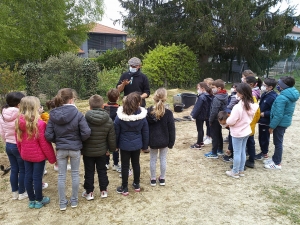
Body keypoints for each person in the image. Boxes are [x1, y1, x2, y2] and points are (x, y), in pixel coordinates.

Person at [45, 88, 91, 211]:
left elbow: (48, 135)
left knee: (61, 176)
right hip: (75, 148)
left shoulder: (52, 115)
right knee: (75, 174)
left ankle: (62, 203)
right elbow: (86, 132)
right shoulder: (78, 114)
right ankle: (74, 200)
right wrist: (79, 140)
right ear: (72, 99)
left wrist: (58, 140)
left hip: (61, 149)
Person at [15, 96, 56, 208]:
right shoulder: (40, 124)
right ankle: (39, 199)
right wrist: (52, 158)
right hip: (38, 157)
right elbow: (45, 144)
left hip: (26, 155)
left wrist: (22, 152)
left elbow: (18, 141)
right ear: (34, 108)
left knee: (28, 176)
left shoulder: (18, 122)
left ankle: (31, 200)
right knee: (37, 178)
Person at [81, 95, 116, 200]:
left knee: (89, 171)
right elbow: (112, 138)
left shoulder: (84, 119)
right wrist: (111, 150)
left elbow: (82, 135)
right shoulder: (108, 120)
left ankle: (89, 192)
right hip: (102, 151)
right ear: (102, 105)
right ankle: (104, 190)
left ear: (90, 106)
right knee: (102, 170)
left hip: (88, 152)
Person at [114, 92, 149, 196]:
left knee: (125, 166)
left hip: (124, 145)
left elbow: (116, 131)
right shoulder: (142, 116)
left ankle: (124, 187)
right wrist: (145, 146)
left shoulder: (120, 116)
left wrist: (115, 145)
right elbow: (145, 131)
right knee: (136, 164)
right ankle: (136, 184)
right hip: (137, 144)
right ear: (138, 103)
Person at [264, 76, 299, 170]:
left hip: (279, 123)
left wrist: (272, 126)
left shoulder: (282, 97)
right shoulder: (290, 94)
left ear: (283, 86)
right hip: (283, 122)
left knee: (278, 143)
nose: (278, 86)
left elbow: (278, 115)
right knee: (278, 142)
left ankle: (277, 163)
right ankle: (275, 158)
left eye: (279, 84)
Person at [116, 57, 150, 153]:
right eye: (131, 66)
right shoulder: (125, 75)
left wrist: (139, 98)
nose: (132, 67)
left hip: (140, 104)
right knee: (127, 125)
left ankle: (144, 145)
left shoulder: (143, 77)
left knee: (141, 125)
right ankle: (127, 144)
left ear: (139, 66)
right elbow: (118, 90)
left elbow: (147, 92)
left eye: (134, 66)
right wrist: (123, 85)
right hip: (127, 105)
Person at [225, 83, 259, 178]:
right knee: (242, 151)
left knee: (237, 153)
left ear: (242, 94)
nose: (236, 93)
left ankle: (235, 171)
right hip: (246, 131)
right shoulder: (253, 105)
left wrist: (227, 120)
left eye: (237, 92)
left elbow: (231, 121)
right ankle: (240, 170)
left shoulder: (238, 107)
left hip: (238, 132)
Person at [0, 92, 26, 200]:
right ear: (19, 104)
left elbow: (1, 131)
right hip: (18, 145)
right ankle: (22, 192)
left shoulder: (2, 114)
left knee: (14, 169)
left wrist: (6, 142)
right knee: (23, 169)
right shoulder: (21, 115)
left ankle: (15, 193)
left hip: (9, 145)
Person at [146, 88, 175, 186]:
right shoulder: (168, 113)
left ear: (154, 97)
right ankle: (162, 178)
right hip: (164, 140)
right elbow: (172, 129)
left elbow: (146, 129)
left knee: (153, 159)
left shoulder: (148, 112)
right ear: (165, 98)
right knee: (163, 159)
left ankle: (153, 179)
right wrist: (171, 142)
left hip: (153, 140)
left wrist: (146, 142)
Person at [204, 79, 228, 158]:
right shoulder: (225, 95)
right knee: (219, 134)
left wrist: (210, 120)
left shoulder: (217, 98)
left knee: (214, 136)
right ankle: (220, 150)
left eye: (213, 87)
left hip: (215, 119)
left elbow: (214, 111)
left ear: (219, 88)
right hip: (221, 118)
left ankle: (214, 153)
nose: (212, 89)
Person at [255, 78, 277, 160]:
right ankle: (263, 151)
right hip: (261, 120)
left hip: (266, 121)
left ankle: (264, 153)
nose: (262, 87)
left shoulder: (272, 97)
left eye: (264, 85)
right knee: (260, 136)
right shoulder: (265, 94)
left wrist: (264, 114)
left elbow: (274, 110)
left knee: (264, 137)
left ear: (270, 87)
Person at [243, 77, 261, 168]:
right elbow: (258, 113)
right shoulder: (254, 99)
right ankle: (251, 160)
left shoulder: (245, 101)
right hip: (251, 126)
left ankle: (243, 163)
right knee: (251, 143)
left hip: (245, 127)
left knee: (244, 145)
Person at [190, 82, 213, 149]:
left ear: (202, 88)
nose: (197, 90)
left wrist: (193, 116)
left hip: (200, 116)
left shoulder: (201, 97)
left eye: (198, 88)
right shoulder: (209, 95)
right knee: (201, 129)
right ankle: (201, 142)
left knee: (200, 130)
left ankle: (198, 144)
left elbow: (197, 107)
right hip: (206, 115)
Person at [103, 88, 121, 171]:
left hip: (105, 130)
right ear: (118, 98)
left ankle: (106, 163)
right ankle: (115, 164)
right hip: (115, 130)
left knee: (106, 146)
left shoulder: (103, 107)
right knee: (115, 147)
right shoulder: (120, 108)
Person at [203, 78, 214, 144]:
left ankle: (210, 137)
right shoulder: (206, 92)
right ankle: (207, 136)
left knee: (210, 125)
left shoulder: (211, 93)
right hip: (207, 111)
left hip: (210, 111)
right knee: (207, 124)